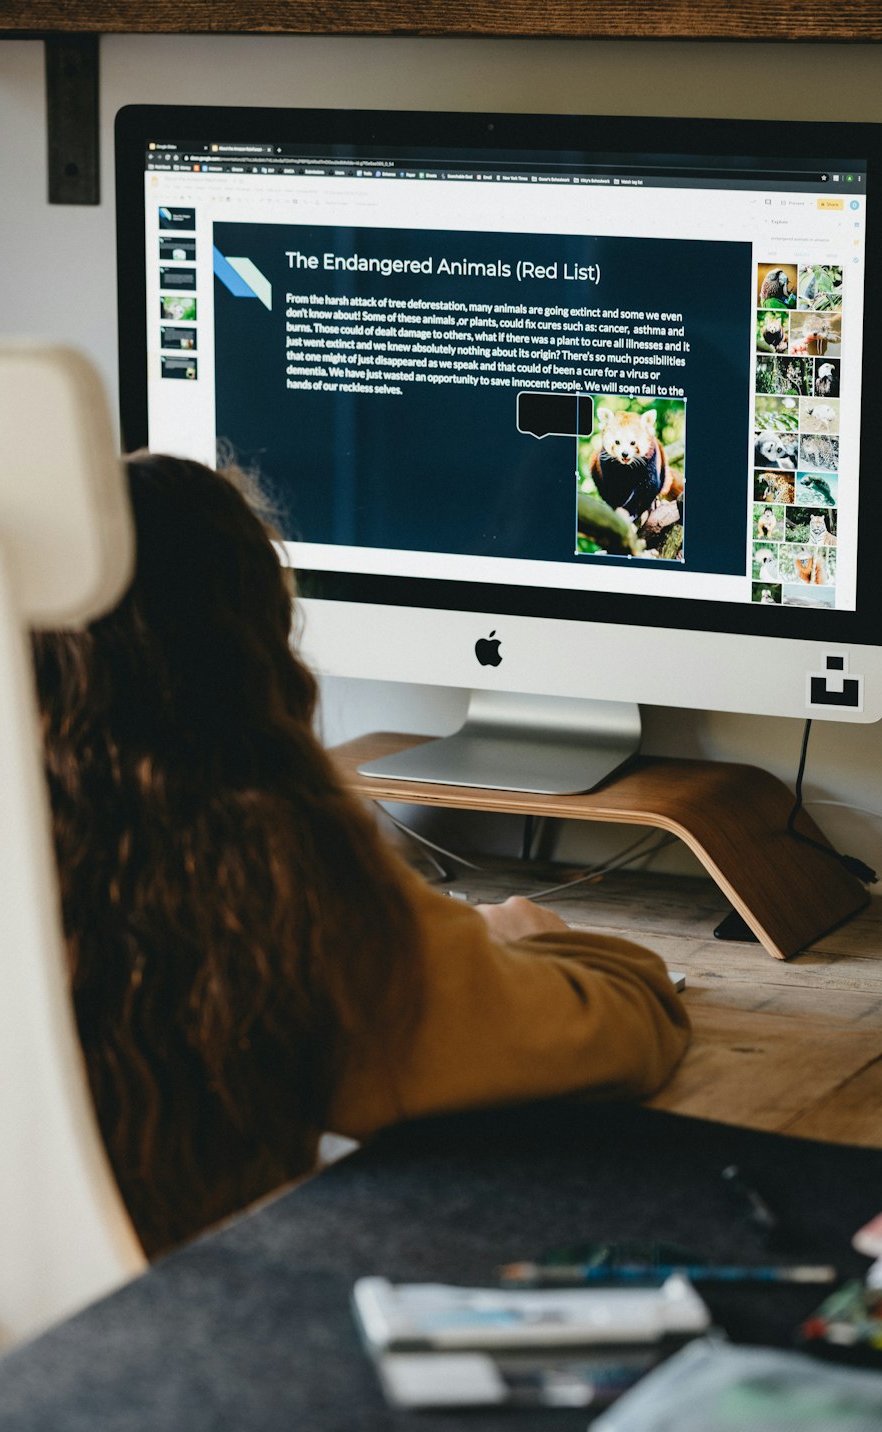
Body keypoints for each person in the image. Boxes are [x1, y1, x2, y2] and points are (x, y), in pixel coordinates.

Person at [33, 452, 690, 1258]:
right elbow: (618, 1033)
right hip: (176, 1333)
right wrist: (532, 939)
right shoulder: (266, 873)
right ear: (248, 648)